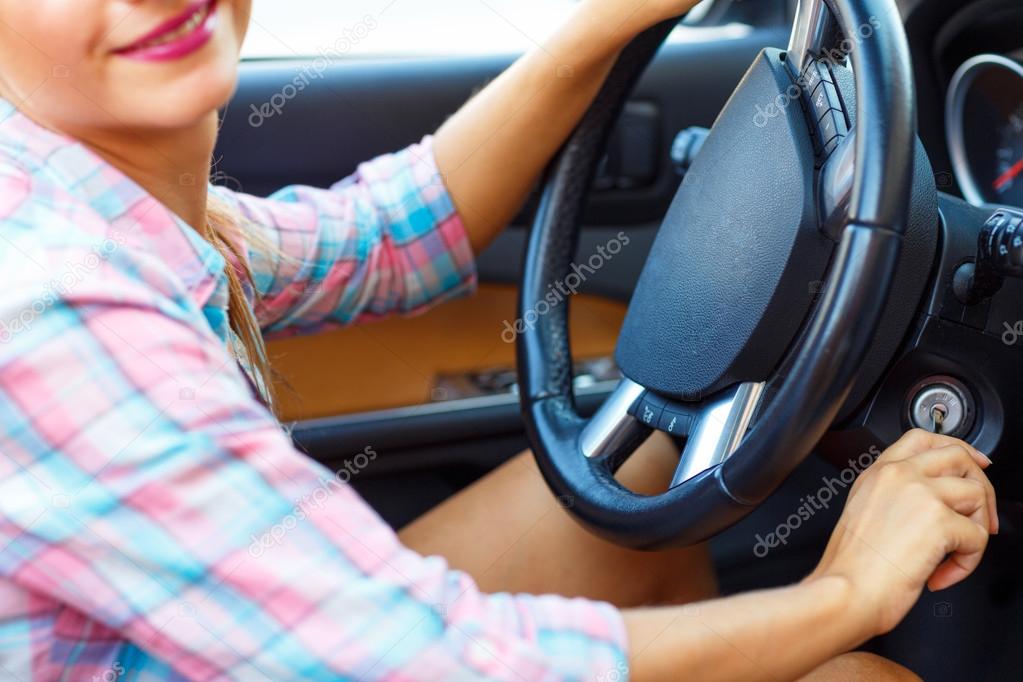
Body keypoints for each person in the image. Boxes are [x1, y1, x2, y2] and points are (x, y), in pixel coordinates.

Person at [0, 1, 996, 680]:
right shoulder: (55, 311)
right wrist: (847, 592)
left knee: (636, 479)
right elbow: (427, 661)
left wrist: (610, 21)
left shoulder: (89, 195)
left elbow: (384, 240)